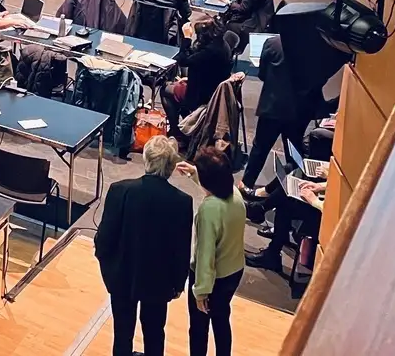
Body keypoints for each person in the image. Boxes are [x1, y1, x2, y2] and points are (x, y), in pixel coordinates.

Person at [94, 136, 192, 356]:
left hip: (121, 276)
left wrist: (108, 270)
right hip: (159, 282)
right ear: (171, 166)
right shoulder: (182, 202)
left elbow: (104, 239)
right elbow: (181, 250)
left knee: (122, 334)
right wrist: (178, 284)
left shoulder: (119, 190)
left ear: (146, 159)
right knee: (155, 333)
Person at [189, 146, 246, 356]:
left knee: (199, 327)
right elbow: (214, 184)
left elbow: (205, 255)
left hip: (214, 280)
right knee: (221, 321)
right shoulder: (235, 194)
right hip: (235, 271)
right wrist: (195, 174)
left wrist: (201, 292)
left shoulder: (209, 210)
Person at [240, 35, 308, 196]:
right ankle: (293, 189)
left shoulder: (272, 43)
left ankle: (246, 184)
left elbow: (262, 74)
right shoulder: (309, 47)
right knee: (293, 152)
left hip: (272, 105)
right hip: (297, 108)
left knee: (260, 147)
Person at [162, 17, 242, 137]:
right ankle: (189, 122)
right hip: (211, 86)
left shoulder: (209, 52)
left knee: (165, 89)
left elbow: (182, 60)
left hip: (201, 96)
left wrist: (187, 38)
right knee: (179, 83)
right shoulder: (222, 44)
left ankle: (177, 133)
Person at [246, 178, 325, 273]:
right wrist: (321, 186)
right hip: (325, 200)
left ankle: (258, 208)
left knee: (286, 203)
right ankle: (258, 208)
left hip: (325, 219)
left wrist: (315, 201)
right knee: (290, 183)